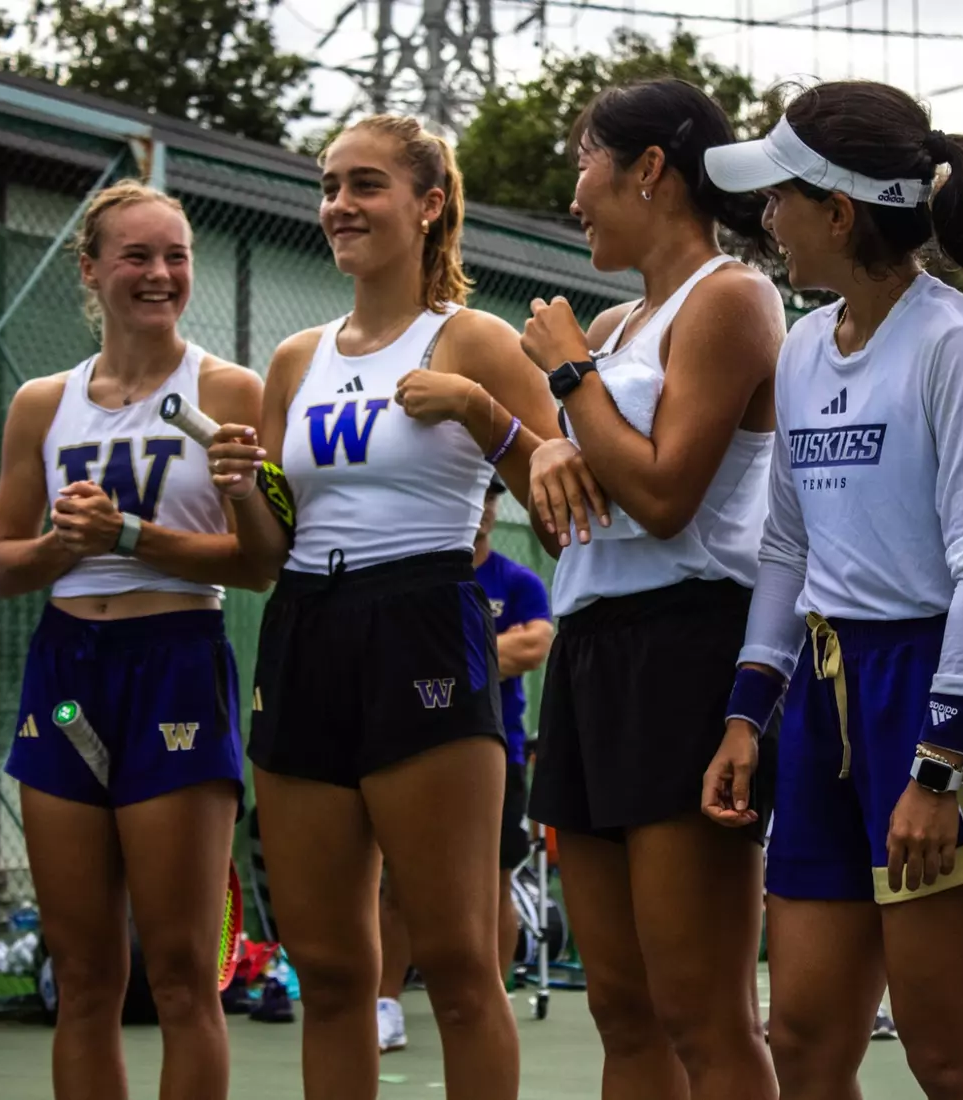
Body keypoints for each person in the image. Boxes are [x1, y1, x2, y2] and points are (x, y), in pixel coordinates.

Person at [699, 80, 963, 1100]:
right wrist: (747, 712)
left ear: (838, 211)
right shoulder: (806, 347)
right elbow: (785, 543)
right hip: (826, 695)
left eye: (778, 196)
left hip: (941, 696)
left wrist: (939, 765)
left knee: (948, 1056)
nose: (765, 217)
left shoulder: (958, 345)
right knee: (806, 1045)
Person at [204, 113, 559, 1100]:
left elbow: (572, 508)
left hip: (424, 618)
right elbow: (266, 554)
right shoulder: (294, 360)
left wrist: (487, 418)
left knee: (454, 961)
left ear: (429, 202)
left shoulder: (473, 338)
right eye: (329, 185)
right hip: (308, 628)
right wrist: (239, 483)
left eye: (365, 185)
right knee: (332, 971)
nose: (339, 205)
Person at [517, 78, 784, 1100]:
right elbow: (584, 487)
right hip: (590, 648)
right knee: (621, 1009)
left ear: (651, 169)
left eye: (586, 161)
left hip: (688, 646)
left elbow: (667, 492)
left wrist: (569, 379)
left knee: (702, 1011)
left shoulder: (732, 295)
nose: (576, 193)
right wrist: (543, 452)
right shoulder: (619, 319)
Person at [0, 180, 260, 1100]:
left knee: (182, 974)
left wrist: (131, 537)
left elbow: (260, 560)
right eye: (137, 255)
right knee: (85, 976)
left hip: (175, 666)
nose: (159, 274)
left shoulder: (226, 390)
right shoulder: (42, 403)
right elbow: (1, 563)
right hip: (66, 677)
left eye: (175, 254)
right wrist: (63, 545)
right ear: (92, 268)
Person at [375, 475, 555, 1055]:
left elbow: (535, 646)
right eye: (475, 498)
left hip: (494, 748)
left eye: (491, 500)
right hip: (411, 741)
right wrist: (476, 656)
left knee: (495, 881)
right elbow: (399, 657)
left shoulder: (518, 580)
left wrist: (443, 656)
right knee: (396, 883)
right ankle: (386, 1004)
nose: (481, 510)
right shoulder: (405, 571)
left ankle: (493, 995)